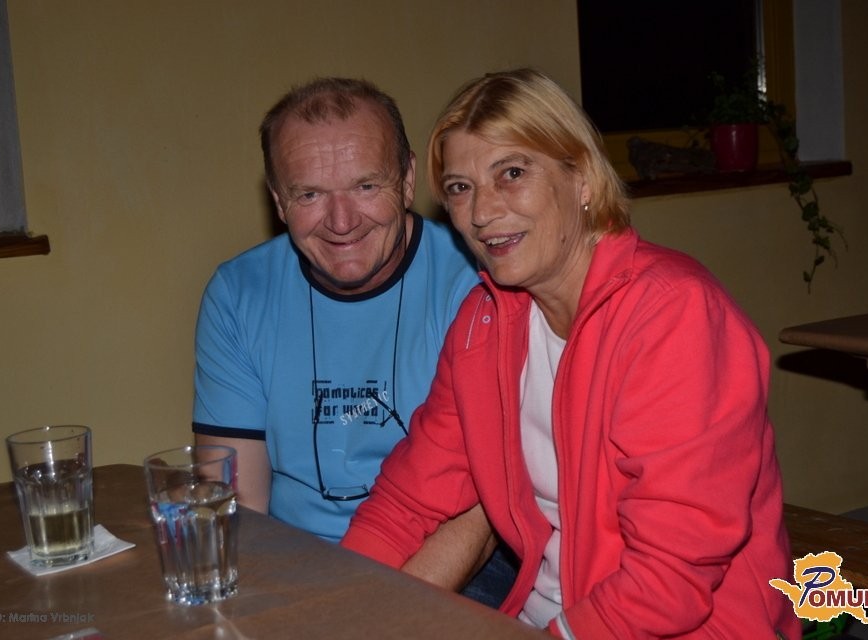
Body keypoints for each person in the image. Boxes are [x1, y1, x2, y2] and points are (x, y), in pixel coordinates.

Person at [341, 69, 801, 639]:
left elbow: (671, 577)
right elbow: (407, 502)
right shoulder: (485, 323)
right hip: (545, 618)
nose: (481, 211)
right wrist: (333, 607)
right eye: (460, 187)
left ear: (581, 177)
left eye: (512, 173)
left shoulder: (673, 315)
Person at [192, 77, 515, 605]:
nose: (341, 222)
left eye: (366, 186)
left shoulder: (479, 283)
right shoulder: (238, 294)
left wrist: (366, 613)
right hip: (293, 561)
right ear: (278, 201)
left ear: (407, 180)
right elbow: (236, 506)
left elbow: (487, 509)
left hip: (446, 559)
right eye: (310, 194)